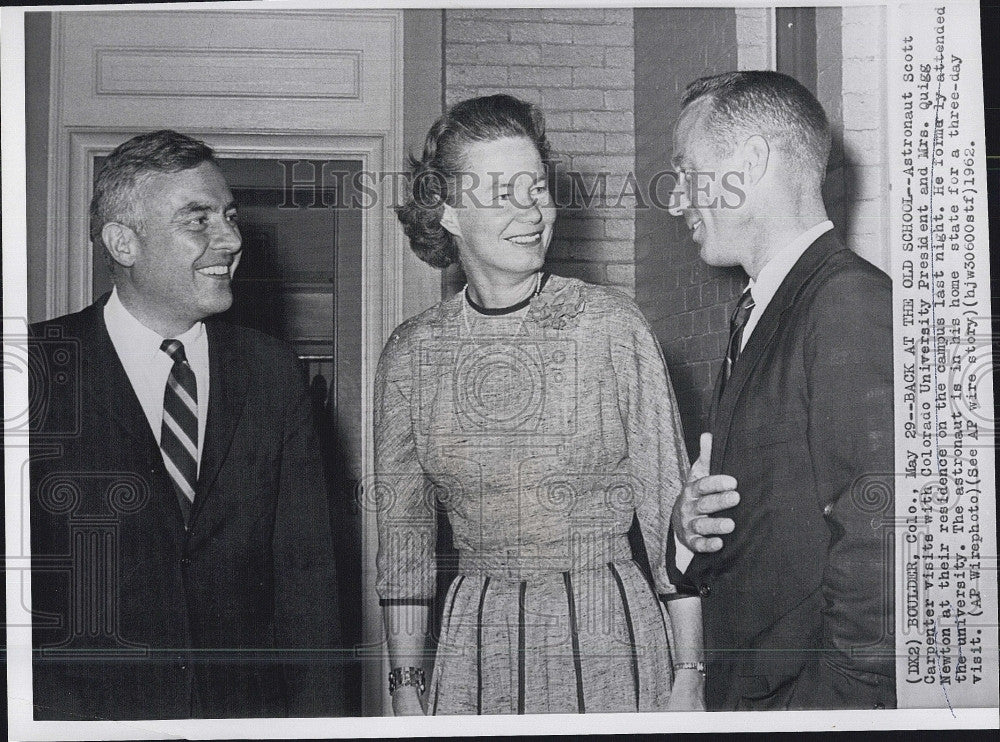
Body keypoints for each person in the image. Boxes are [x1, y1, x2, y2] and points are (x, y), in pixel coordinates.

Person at [374, 94, 703, 716]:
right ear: (447, 212)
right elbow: (405, 541)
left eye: (538, 189)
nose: (532, 212)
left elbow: (669, 511)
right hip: (476, 640)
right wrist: (405, 688)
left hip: (608, 628)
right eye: (504, 193)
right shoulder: (410, 354)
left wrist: (689, 670)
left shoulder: (610, 326)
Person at [28, 130, 344, 720]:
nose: (230, 239)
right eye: (197, 220)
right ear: (123, 241)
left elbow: (308, 589)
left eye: (228, 216)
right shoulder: (37, 370)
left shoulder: (272, 374)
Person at [665, 71, 895, 710]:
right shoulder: (766, 308)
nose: (677, 199)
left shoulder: (848, 303)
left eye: (688, 172)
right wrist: (687, 533)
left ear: (753, 161)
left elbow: (883, 550)